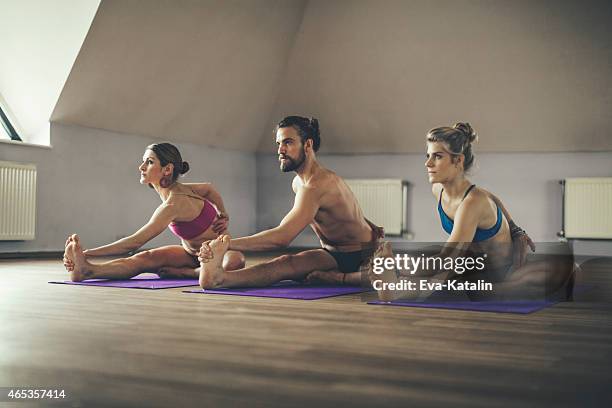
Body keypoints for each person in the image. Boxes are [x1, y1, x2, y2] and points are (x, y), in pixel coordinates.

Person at [371, 123, 574, 302]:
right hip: (473, 261)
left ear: (458, 161)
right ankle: (393, 287)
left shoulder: (472, 203)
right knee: (442, 261)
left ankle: (396, 287)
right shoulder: (439, 190)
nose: (428, 164)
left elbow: (448, 257)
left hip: (500, 272)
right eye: (428, 156)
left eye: (437, 156)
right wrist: (515, 228)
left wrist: (396, 263)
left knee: (458, 272)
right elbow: (491, 196)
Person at [197, 116, 383, 289]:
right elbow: (346, 212)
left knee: (387, 279)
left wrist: (226, 244)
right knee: (285, 263)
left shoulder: (317, 185)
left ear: (308, 144)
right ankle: (220, 278)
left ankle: (339, 278)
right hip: (331, 254)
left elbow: (281, 237)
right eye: (278, 144)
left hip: (362, 256)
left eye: (288, 142)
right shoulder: (298, 183)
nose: (280, 150)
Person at [62, 143, 245, 281]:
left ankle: (192, 274)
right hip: (190, 254)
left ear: (167, 169)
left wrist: (87, 252)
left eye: (149, 162)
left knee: (235, 260)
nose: (141, 167)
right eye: (143, 161)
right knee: (145, 257)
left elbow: (133, 243)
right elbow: (209, 188)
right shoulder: (184, 190)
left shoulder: (173, 205)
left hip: (218, 256)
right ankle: (87, 270)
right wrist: (223, 213)